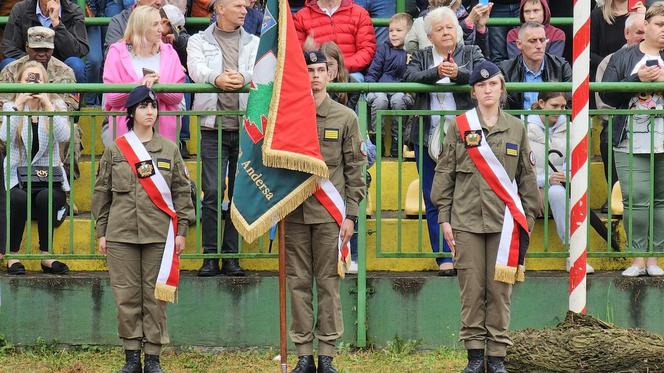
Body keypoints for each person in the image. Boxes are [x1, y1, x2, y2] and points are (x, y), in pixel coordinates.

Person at [432, 60, 539, 373]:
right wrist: (444, 216)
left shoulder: (516, 128)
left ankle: (496, 358)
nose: (487, 90)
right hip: (465, 222)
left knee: (499, 292)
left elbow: (527, 178)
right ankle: (475, 356)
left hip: (504, 225)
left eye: (493, 84)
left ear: (502, 88)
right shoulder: (460, 126)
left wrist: (527, 220)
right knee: (471, 291)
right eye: (481, 86)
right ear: (473, 92)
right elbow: (445, 172)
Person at [92, 85, 193, 373]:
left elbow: (181, 192)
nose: (150, 112)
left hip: (158, 234)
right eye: (143, 107)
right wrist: (101, 232)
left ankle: (152, 357)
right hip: (121, 234)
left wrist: (182, 229)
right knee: (126, 296)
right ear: (131, 112)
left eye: (153, 106)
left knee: (155, 296)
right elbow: (102, 193)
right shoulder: (116, 149)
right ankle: (131, 356)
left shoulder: (169, 149)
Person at [287, 50, 365, 373]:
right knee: (298, 283)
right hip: (294, 213)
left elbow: (355, 169)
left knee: (329, 284)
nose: (316, 76)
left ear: (331, 74)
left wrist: (351, 214)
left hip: (329, 216)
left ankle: (327, 354)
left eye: (321, 69)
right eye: (309, 70)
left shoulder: (345, 117)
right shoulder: (289, 116)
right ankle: (304, 353)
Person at [403, 6, 484, 276]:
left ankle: (465, 253)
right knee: (433, 195)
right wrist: (438, 72)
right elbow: (410, 77)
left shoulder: (470, 52)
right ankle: (443, 257)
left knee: (465, 195)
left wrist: (457, 75)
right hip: (427, 135)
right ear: (430, 36)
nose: (446, 32)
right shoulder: (421, 55)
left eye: (450, 27)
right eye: (439, 29)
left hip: (464, 135)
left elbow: (481, 74)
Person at [187, 0, 259, 277]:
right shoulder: (197, 40)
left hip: (244, 128)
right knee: (213, 192)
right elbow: (196, 69)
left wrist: (243, 77)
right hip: (212, 126)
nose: (244, 10)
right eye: (238, 5)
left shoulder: (254, 42)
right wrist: (216, 78)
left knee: (238, 194)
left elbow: (262, 72)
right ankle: (210, 255)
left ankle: (230, 255)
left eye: (245, 6)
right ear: (220, 8)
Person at [601, 2, 664, 277]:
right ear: (646, 25)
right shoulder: (622, 57)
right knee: (635, 198)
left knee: (661, 200)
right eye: (660, 25)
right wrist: (636, 79)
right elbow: (608, 95)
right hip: (629, 137)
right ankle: (637, 258)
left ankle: (655, 258)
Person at [0, 61, 71, 275]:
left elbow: (64, 136)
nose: (33, 83)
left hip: (47, 178)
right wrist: (19, 105)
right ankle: (12, 255)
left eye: (37, 78)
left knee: (46, 196)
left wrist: (48, 106)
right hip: (17, 178)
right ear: (20, 83)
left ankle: (46, 256)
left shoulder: (56, 106)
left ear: (45, 82)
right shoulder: (10, 107)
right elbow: (4, 137)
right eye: (28, 79)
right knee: (19, 198)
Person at [526, 92, 598, 274]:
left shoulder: (572, 128)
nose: (560, 111)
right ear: (541, 103)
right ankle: (517, 257)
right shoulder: (523, 126)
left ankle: (573, 254)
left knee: (558, 193)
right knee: (520, 198)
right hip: (530, 185)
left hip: (558, 186)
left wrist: (566, 175)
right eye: (555, 106)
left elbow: (576, 163)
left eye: (563, 107)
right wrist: (544, 179)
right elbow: (519, 169)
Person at [103, 5, 185, 143]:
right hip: (127, 135)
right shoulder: (116, 52)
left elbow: (177, 97)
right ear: (141, 27)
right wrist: (140, 86)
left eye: (160, 23)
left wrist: (158, 87)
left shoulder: (170, 53)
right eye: (155, 24)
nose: (161, 29)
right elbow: (112, 98)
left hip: (164, 137)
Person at [596, 11, 645, 195]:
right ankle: (617, 195)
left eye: (646, 32)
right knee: (608, 135)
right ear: (626, 34)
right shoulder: (611, 60)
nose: (643, 37)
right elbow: (603, 104)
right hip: (620, 122)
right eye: (638, 32)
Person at [0, 0, 88, 84]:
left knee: (76, 64)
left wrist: (57, 24)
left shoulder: (74, 11)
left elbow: (79, 50)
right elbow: (8, 47)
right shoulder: (20, 9)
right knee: (7, 63)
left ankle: (71, 100)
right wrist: (34, 61)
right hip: (26, 63)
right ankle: (12, 99)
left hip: (60, 68)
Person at [365, 13, 415, 157]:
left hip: (401, 90)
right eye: (391, 30)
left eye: (398, 31)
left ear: (409, 32)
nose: (393, 34)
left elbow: (411, 77)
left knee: (398, 100)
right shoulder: (383, 49)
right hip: (381, 88)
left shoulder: (411, 52)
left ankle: (397, 140)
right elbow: (373, 72)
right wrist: (370, 86)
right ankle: (377, 139)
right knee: (381, 100)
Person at [498, 21, 572, 111]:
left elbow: (570, 105)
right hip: (517, 123)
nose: (539, 46)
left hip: (554, 122)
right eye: (532, 41)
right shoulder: (505, 69)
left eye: (542, 40)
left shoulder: (561, 66)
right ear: (519, 44)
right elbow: (502, 108)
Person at [293, 0, 376, 76]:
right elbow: (294, 54)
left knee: (356, 78)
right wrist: (305, 51)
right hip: (315, 73)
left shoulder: (360, 13)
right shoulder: (300, 16)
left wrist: (340, 66)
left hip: (350, 72)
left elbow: (367, 50)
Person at [405, 0, 492, 57]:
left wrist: (480, 27)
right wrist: (468, 22)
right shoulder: (426, 17)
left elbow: (479, 56)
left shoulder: (467, 13)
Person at [320, 41, 360, 110]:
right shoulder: (315, 82)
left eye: (331, 64)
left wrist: (332, 89)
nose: (328, 69)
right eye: (324, 65)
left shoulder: (351, 82)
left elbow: (345, 113)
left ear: (338, 64)